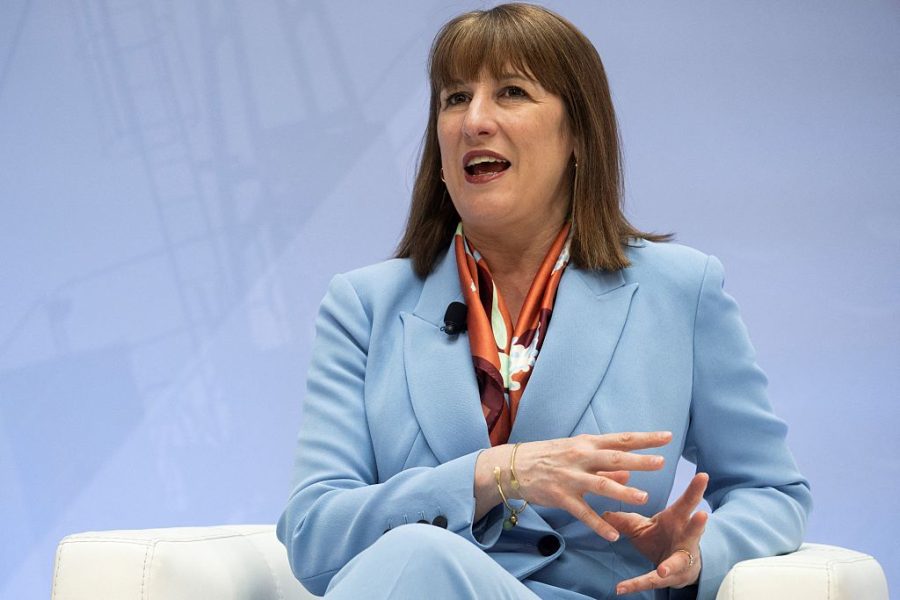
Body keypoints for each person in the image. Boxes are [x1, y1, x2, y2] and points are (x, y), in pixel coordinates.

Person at [277, 4, 811, 599]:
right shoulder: (364, 306)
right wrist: (494, 475)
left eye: (511, 92)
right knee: (419, 555)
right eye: (455, 98)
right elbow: (312, 534)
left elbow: (772, 491)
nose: (474, 120)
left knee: (416, 555)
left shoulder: (680, 290)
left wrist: (698, 549)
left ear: (578, 134)